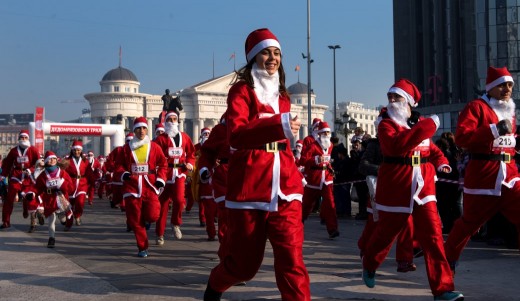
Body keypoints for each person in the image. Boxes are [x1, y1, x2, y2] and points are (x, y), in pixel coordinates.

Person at [204, 28, 310, 301]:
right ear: (253, 57)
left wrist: (297, 170)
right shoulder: (241, 91)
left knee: (292, 261)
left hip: (285, 188)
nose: (272, 58)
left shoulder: (283, 96)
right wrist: (279, 125)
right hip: (251, 186)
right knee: (244, 266)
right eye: (266, 52)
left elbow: (284, 141)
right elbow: (237, 134)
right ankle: (217, 283)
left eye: (277, 53)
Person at [361, 79, 463, 301]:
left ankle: (443, 288)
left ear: (408, 102)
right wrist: (426, 126)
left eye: (396, 97)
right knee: (385, 235)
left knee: (434, 237)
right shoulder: (386, 124)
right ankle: (369, 262)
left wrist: (441, 162)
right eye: (390, 97)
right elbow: (397, 146)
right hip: (396, 187)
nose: (392, 101)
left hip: (423, 189)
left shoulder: (418, 124)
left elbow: (432, 149)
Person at [444, 66, 520, 271]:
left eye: (510, 85)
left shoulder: (509, 110)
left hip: (510, 175)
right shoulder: (476, 107)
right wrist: (494, 130)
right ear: (491, 87)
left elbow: (508, 141)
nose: (507, 89)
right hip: (484, 177)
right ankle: (447, 259)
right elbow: (462, 138)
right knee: (469, 223)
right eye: (502, 85)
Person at [358, 124, 418, 273]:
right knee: (375, 222)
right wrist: (383, 170)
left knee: (406, 222)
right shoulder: (374, 144)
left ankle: (405, 260)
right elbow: (363, 165)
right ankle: (366, 250)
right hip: (379, 187)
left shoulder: (404, 141)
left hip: (400, 186)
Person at [114, 117, 167, 257]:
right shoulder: (125, 149)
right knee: (135, 220)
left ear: (147, 129)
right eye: (138, 128)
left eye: (144, 128)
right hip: (132, 187)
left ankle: (148, 220)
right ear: (134, 130)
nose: (141, 131)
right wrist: (123, 174)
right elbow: (118, 166)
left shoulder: (154, 146)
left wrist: (161, 179)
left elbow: (163, 164)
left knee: (154, 214)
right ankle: (142, 247)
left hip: (149, 185)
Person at [154, 111, 195, 244]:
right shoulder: (161, 139)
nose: (172, 122)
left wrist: (190, 163)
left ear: (178, 121)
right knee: (163, 205)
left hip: (180, 173)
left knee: (179, 200)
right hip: (166, 174)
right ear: (165, 122)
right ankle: (160, 234)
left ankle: (175, 223)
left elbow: (191, 152)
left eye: (174, 119)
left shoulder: (185, 137)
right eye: (169, 120)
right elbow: (155, 156)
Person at [300, 121, 340, 239]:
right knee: (307, 205)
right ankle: (298, 223)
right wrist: (316, 159)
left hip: (327, 178)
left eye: (328, 133)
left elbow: (328, 161)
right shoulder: (313, 146)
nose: (327, 135)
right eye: (325, 133)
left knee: (330, 203)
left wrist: (330, 168)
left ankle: (332, 229)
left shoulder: (331, 146)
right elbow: (303, 160)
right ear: (320, 134)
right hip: (314, 179)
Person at [29, 151, 74, 248]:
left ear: (56, 160)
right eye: (49, 159)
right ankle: (51, 238)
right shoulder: (43, 175)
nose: (52, 160)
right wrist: (32, 193)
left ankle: (62, 219)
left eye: (54, 158)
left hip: (60, 197)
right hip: (49, 199)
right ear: (45, 161)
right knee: (51, 220)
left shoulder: (62, 172)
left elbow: (71, 187)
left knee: (62, 217)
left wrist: (62, 184)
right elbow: (37, 187)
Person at [1, 129, 41, 229]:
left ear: (28, 139)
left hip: (28, 176)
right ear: (19, 139)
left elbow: (40, 163)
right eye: (21, 138)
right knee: (9, 198)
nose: (23, 139)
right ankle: (6, 221)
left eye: (25, 138)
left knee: (28, 196)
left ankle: (29, 211)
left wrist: (31, 169)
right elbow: (7, 164)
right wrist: (3, 175)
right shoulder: (13, 151)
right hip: (16, 175)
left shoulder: (33, 150)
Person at [63, 140, 95, 231]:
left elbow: (89, 172)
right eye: (75, 150)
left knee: (80, 202)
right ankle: (68, 224)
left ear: (81, 151)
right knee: (69, 206)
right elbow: (63, 172)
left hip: (82, 183)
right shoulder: (67, 161)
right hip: (71, 184)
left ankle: (77, 215)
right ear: (72, 151)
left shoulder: (85, 161)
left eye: (78, 150)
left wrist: (93, 182)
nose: (76, 152)